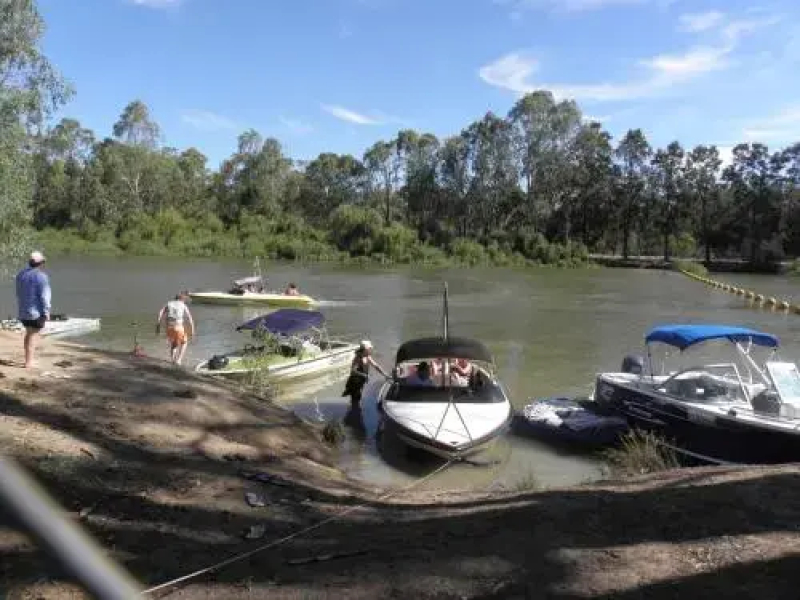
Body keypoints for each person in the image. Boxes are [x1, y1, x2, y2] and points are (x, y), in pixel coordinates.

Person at [15, 251, 52, 369]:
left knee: (29, 333)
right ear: (41, 263)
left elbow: (18, 293)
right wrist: (47, 311)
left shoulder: (21, 274)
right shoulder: (41, 276)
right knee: (32, 335)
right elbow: (45, 296)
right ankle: (29, 362)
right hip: (35, 312)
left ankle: (28, 360)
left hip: (23, 310)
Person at [342, 340, 389, 406]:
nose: (371, 349)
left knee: (358, 398)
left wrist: (385, 374)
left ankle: (355, 410)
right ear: (365, 349)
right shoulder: (358, 358)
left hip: (361, 380)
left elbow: (376, 366)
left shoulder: (367, 356)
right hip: (354, 382)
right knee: (356, 398)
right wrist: (364, 375)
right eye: (369, 348)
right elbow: (353, 371)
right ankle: (355, 410)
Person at [155, 291, 195, 365]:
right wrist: (192, 331)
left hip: (169, 328)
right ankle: (179, 360)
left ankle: (173, 361)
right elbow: (190, 318)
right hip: (178, 327)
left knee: (174, 343)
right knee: (184, 342)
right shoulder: (183, 305)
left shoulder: (169, 303)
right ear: (182, 299)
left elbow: (160, 312)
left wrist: (158, 325)